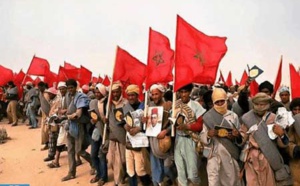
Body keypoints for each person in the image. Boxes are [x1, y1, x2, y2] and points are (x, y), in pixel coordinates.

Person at [240, 92, 292, 186]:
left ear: (267, 105)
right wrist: (237, 135)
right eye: (257, 104)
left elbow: (283, 143)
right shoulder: (247, 118)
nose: (260, 107)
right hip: (251, 157)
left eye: (262, 104)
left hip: (268, 157)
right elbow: (242, 138)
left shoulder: (274, 118)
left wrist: (281, 134)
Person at [201, 88, 243, 186]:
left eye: (222, 101)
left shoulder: (233, 116)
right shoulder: (208, 117)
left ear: (226, 100)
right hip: (213, 154)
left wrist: (236, 136)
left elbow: (241, 136)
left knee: (230, 181)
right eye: (217, 102)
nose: (220, 104)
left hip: (229, 153)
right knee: (213, 181)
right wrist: (208, 135)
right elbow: (202, 135)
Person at [173, 83, 206, 186]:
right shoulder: (175, 105)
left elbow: (200, 125)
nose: (183, 95)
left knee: (192, 174)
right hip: (178, 139)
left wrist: (187, 127)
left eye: (185, 92)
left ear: (190, 92)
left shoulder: (196, 105)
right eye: (181, 92)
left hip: (191, 139)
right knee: (181, 172)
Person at [61, 79, 92, 182]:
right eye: (68, 88)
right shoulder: (68, 97)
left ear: (76, 87)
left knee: (79, 150)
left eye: (71, 88)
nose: (70, 90)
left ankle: (94, 163)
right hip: (70, 126)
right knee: (70, 150)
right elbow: (67, 109)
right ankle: (71, 173)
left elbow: (78, 114)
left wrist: (68, 116)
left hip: (79, 126)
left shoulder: (81, 97)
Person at [147, 84, 177, 186]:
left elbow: (174, 123)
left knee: (168, 168)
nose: (154, 96)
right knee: (156, 169)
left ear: (162, 93)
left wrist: (166, 131)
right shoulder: (149, 106)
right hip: (153, 141)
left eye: (157, 94)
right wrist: (144, 120)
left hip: (165, 141)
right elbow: (147, 124)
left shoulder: (169, 105)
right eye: (153, 94)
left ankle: (174, 181)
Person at [123, 84, 152, 186]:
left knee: (140, 169)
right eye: (129, 95)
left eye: (133, 95)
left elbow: (150, 124)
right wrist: (125, 126)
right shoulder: (125, 107)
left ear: (137, 95)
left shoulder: (144, 106)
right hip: (129, 142)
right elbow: (123, 122)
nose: (131, 97)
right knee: (130, 169)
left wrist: (139, 128)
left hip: (140, 142)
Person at [107, 81, 128, 186]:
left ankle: (118, 181)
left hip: (121, 136)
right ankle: (119, 178)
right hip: (111, 137)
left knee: (121, 160)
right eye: (113, 92)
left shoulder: (125, 103)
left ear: (121, 91)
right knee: (110, 160)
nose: (115, 94)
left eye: (117, 92)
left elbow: (129, 119)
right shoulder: (109, 105)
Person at [89, 83, 108, 185]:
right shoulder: (93, 103)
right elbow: (91, 115)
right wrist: (92, 120)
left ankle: (103, 177)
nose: (97, 94)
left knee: (102, 155)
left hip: (106, 132)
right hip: (96, 131)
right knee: (93, 155)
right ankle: (98, 173)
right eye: (95, 92)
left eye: (99, 92)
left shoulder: (108, 103)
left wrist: (106, 119)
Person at [47, 81, 68, 168]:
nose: (62, 90)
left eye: (63, 89)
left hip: (69, 121)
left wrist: (63, 111)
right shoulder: (62, 98)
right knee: (61, 141)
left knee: (72, 143)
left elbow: (70, 109)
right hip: (63, 122)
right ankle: (56, 161)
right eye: (60, 89)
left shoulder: (68, 98)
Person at [44, 87, 61, 162]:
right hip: (51, 121)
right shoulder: (51, 100)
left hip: (55, 121)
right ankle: (51, 154)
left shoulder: (58, 101)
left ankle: (52, 155)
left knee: (54, 138)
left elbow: (57, 111)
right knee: (52, 137)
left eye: (49, 94)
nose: (48, 95)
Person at [287, 98, 300, 185]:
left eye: (299, 109)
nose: (297, 112)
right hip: (297, 162)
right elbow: (288, 143)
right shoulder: (291, 124)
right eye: (295, 109)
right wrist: (295, 149)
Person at [38, 82, 50, 150]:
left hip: (48, 114)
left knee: (47, 130)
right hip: (43, 113)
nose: (39, 89)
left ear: (43, 86)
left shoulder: (47, 93)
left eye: (40, 87)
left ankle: (49, 144)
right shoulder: (40, 93)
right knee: (43, 130)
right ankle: (46, 143)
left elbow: (50, 103)